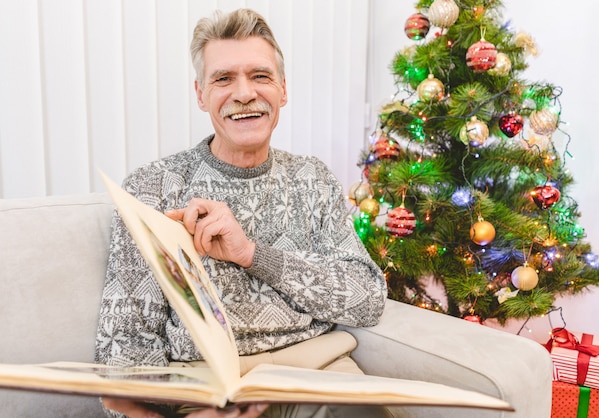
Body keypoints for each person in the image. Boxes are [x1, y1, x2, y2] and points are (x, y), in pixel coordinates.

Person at [95, 8, 388, 418]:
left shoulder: (312, 178)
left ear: (283, 90)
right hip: (206, 390)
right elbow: (123, 348)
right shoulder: (153, 188)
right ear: (200, 94)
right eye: (223, 78)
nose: (245, 93)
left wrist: (252, 254)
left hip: (317, 376)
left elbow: (367, 301)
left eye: (260, 76)